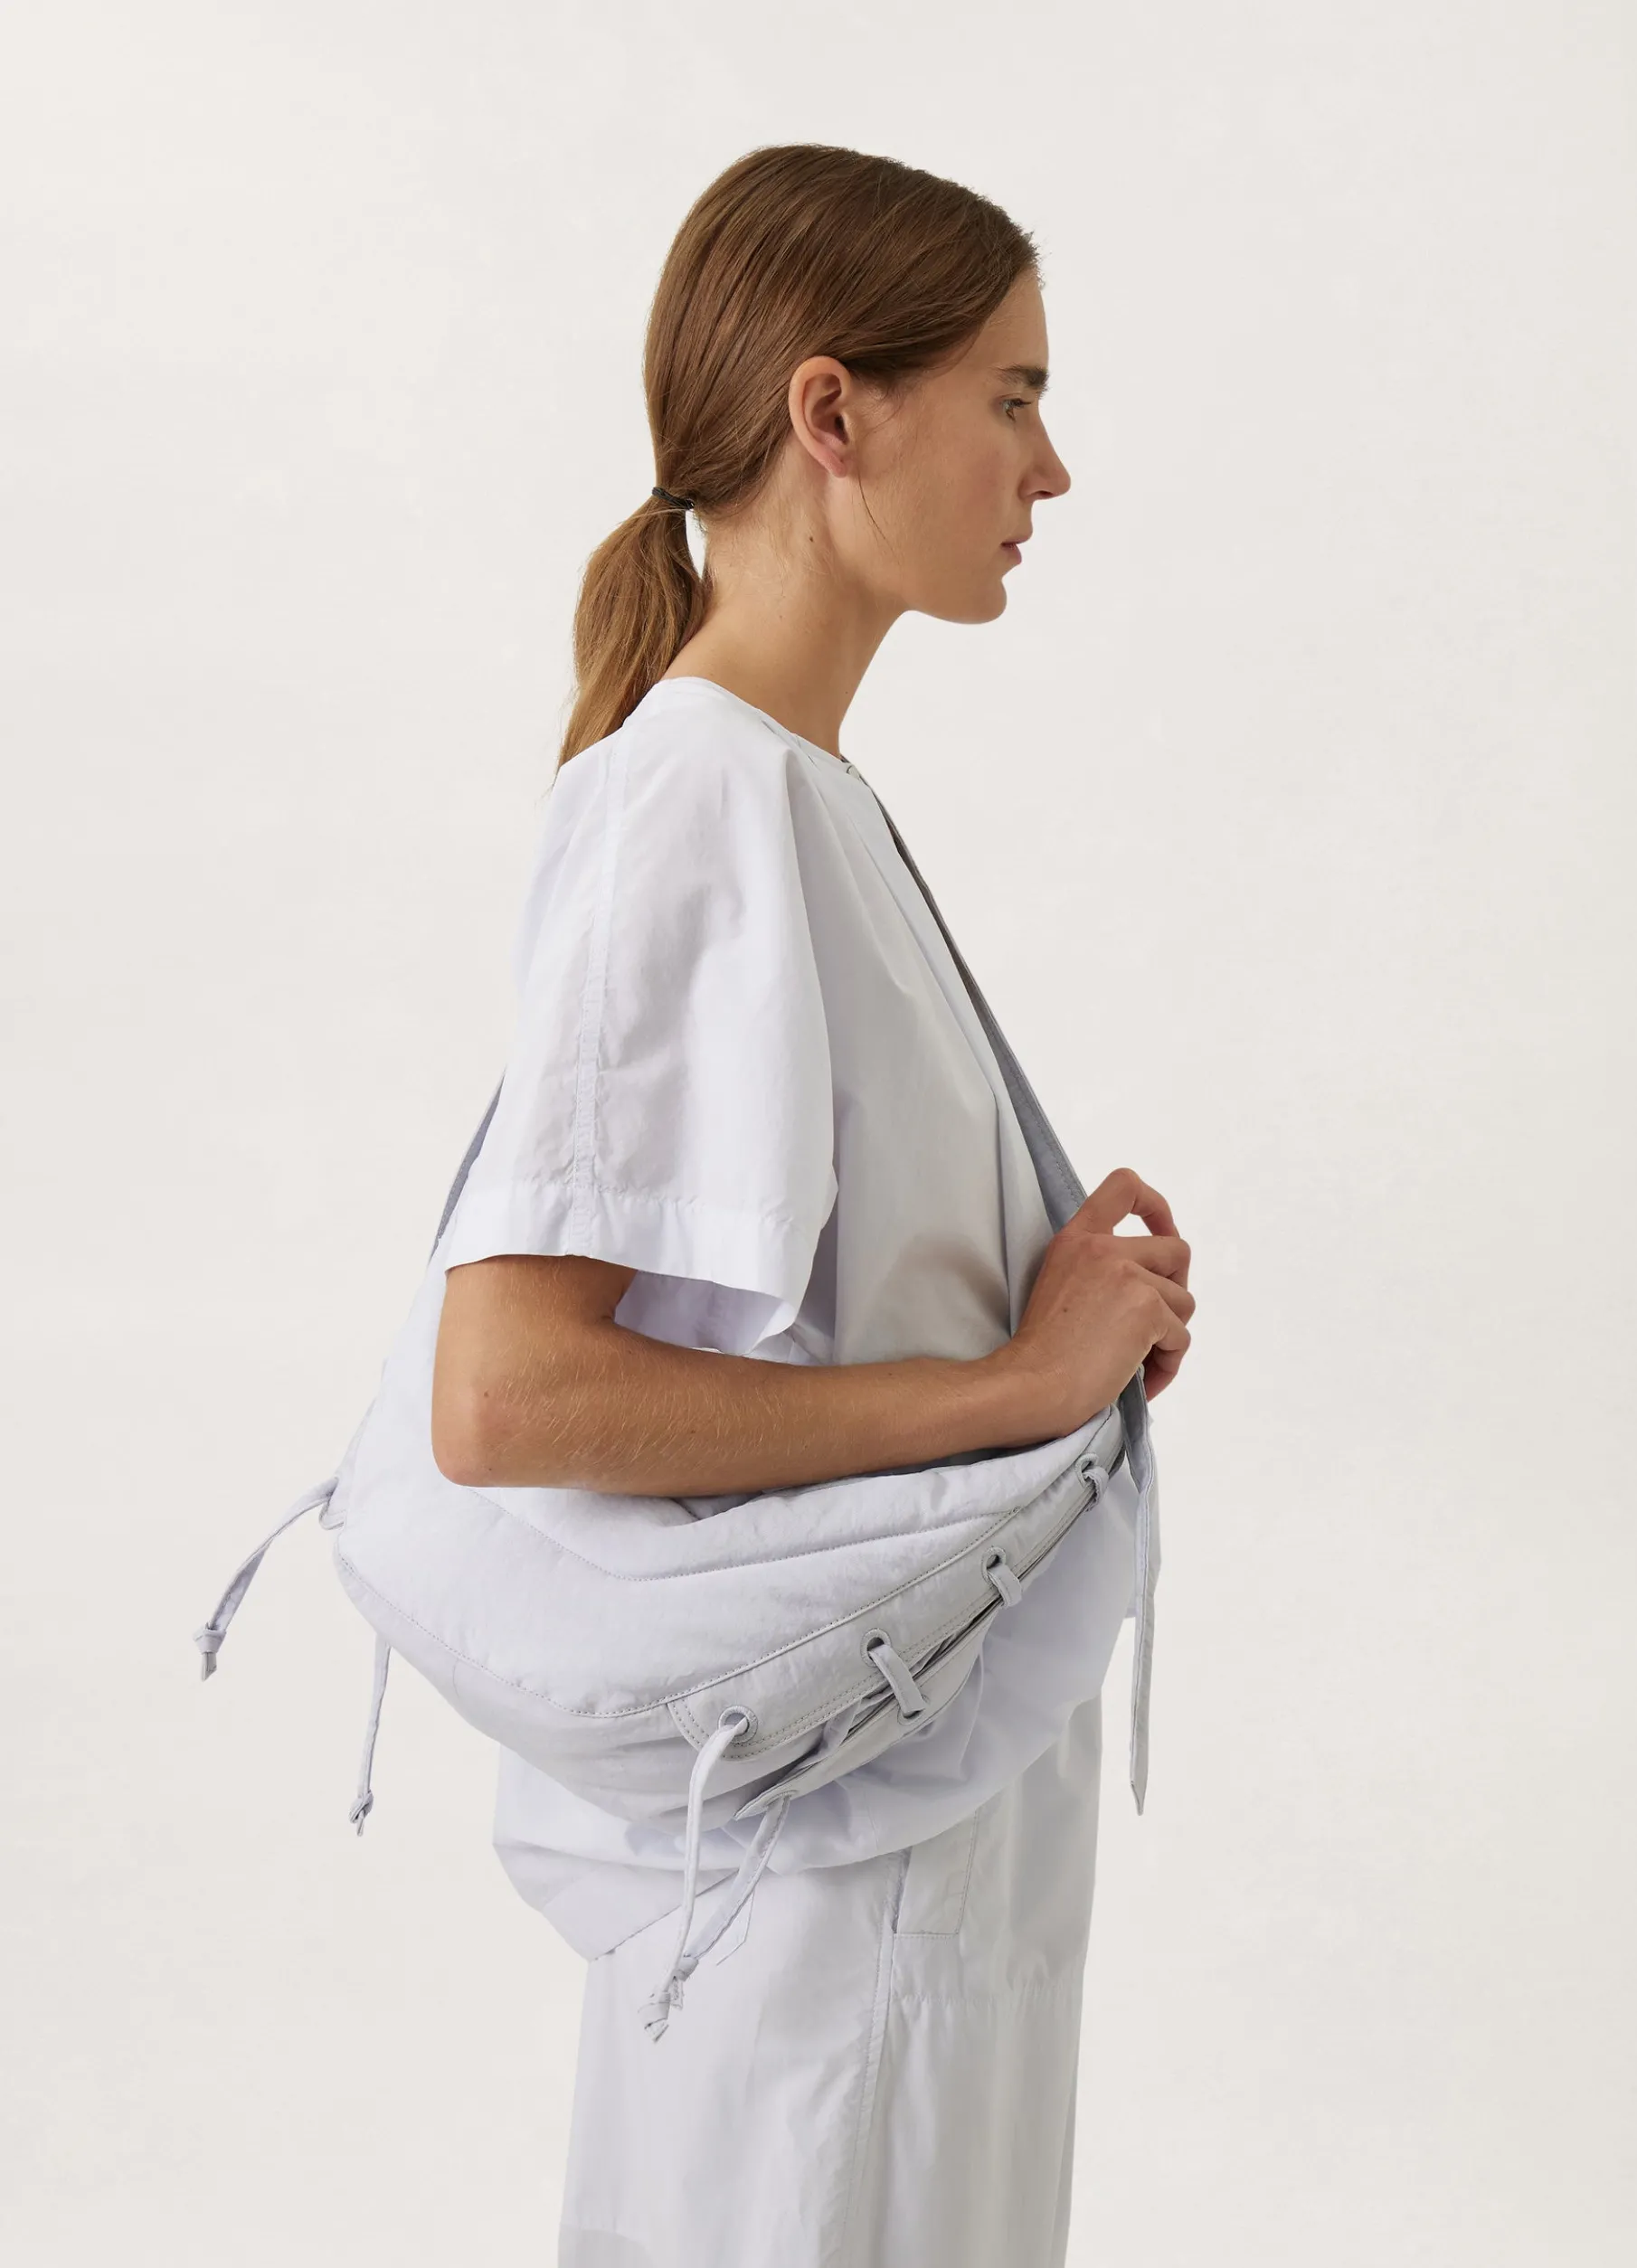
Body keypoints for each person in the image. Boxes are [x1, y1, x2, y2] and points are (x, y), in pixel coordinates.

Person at [430, 143, 1194, 2268]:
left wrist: (1051, 1317)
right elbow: (505, 1394)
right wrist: (1012, 1387)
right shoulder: (696, 796)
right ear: (831, 414)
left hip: (895, 1882)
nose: (1048, 470)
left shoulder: (793, 798)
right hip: (820, 1934)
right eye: (1012, 398)